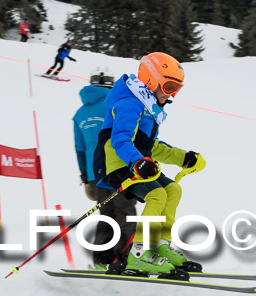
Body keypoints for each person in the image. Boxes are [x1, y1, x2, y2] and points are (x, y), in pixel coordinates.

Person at [93, 52, 204, 275]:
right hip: (116, 163)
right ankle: (138, 254)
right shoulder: (130, 103)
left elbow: (151, 147)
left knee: (172, 189)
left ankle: (161, 245)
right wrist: (137, 161)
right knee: (157, 195)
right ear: (152, 80)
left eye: (177, 89)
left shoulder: (148, 107)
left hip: (137, 163)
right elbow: (120, 139)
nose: (172, 95)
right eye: (170, 87)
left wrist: (184, 158)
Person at [74, 68, 137, 269]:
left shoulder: (80, 114)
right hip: (118, 169)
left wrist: (86, 178)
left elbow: (80, 149)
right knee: (125, 213)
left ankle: (103, 259)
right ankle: (126, 259)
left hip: (96, 174)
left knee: (107, 215)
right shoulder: (115, 105)